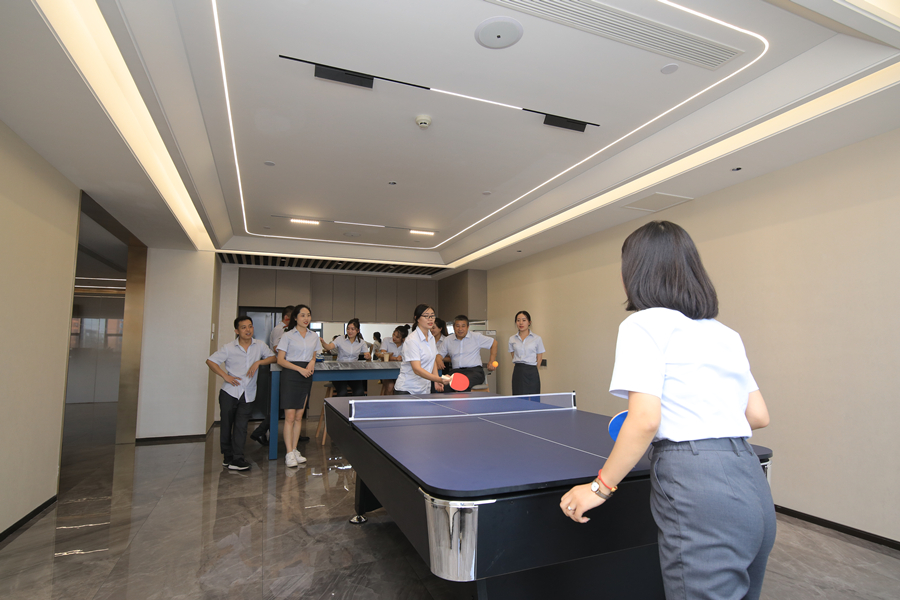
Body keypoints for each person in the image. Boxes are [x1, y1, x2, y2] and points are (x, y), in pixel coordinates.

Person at [559, 221, 775, 600]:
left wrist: (599, 488)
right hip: (751, 480)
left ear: (634, 273)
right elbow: (758, 416)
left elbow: (645, 419)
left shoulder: (642, 324)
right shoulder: (725, 334)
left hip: (696, 482)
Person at [205, 316, 276, 471]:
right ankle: (227, 457)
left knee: (241, 427)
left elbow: (273, 357)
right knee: (226, 425)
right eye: (243, 327)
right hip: (229, 392)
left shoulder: (259, 345)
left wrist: (258, 362)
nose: (248, 330)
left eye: (250, 326)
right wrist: (225, 376)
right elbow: (210, 361)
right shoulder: (229, 347)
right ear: (237, 331)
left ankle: (237, 458)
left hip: (248, 393)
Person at [276, 305, 319, 467]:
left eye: (308, 315)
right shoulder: (287, 335)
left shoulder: (314, 336)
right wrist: (299, 369)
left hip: (306, 375)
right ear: (295, 317)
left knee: (299, 416)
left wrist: (312, 362)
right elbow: (280, 360)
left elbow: (314, 355)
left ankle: (294, 450)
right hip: (291, 374)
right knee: (290, 417)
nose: (306, 318)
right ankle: (288, 453)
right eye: (302, 315)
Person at [251, 305, 294, 446]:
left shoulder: (287, 330)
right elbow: (277, 348)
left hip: (284, 368)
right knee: (280, 404)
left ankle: (292, 434)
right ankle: (260, 431)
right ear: (287, 317)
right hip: (279, 369)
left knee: (285, 405)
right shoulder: (280, 329)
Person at [394, 305, 448, 395]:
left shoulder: (431, 338)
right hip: (407, 390)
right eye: (426, 316)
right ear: (417, 318)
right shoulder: (412, 340)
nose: (430, 319)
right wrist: (439, 379)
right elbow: (417, 369)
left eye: (432, 316)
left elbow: (432, 360)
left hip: (424, 389)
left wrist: (436, 379)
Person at [441, 315, 497, 392]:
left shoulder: (476, 337)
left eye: (463, 326)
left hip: (474, 371)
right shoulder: (448, 340)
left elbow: (494, 343)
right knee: (445, 385)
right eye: (457, 326)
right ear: (454, 327)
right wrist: (439, 360)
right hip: (455, 372)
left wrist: (491, 361)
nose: (460, 329)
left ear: (468, 327)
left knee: (462, 384)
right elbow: (439, 354)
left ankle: (464, 400)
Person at [320, 318, 371, 396]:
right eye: (348, 328)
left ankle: (352, 404)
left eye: (352, 329)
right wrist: (323, 342)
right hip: (339, 371)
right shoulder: (340, 339)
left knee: (359, 392)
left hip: (353, 372)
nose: (350, 331)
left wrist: (368, 356)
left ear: (358, 330)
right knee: (342, 393)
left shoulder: (361, 342)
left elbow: (367, 355)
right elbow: (329, 347)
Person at [508, 311, 544, 395]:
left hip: (532, 371)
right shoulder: (512, 339)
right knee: (518, 397)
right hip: (518, 370)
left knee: (534, 398)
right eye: (518, 320)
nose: (521, 323)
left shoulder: (537, 338)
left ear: (529, 322)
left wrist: (533, 371)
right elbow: (513, 355)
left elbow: (539, 358)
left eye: (524, 320)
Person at [378, 325, 408, 395]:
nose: (394, 337)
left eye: (397, 337)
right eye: (394, 334)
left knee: (400, 387)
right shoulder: (386, 340)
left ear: (403, 339)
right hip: (386, 369)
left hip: (401, 371)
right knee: (390, 386)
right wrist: (396, 358)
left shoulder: (406, 344)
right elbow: (383, 355)